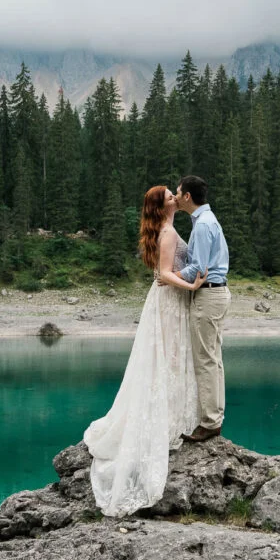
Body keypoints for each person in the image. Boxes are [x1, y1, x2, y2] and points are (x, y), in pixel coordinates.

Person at [83, 185, 205, 517]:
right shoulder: (166, 233)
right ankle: (163, 422)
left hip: (168, 300)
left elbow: (166, 273)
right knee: (166, 359)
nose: (174, 198)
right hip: (168, 302)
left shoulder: (167, 228)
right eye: (169, 195)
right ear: (161, 205)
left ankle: (172, 417)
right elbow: (164, 274)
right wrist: (192, 284)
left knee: (169, 359)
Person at [173, 175, 231, 442]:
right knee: (213, 359)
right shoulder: (204, 221)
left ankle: (209, 423)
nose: (174, 196)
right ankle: (213, 418)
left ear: (187, 197)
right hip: (214, 294)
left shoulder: (203, 225)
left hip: (208, 296)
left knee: (206, 360)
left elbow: (199, 268)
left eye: (177, 192)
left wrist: (169, 276)